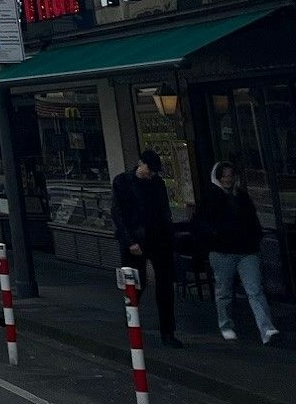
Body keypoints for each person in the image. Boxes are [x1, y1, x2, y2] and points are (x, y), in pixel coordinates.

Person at [197, 161, 280, 345]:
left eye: (230, 175)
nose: (227, 179)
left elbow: (252, 219)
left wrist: (254, 237)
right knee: (224, 291)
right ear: (218, 177)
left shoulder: (241, 196)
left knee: (254, 289)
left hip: (245, 249)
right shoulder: (211, 197)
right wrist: (215, 238)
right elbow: (202, 223)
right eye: (224, 176)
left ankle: (266, 329)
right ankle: (226, 325)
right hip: (223, 251)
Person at [113, 149, 182, 347]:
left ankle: (168, 332)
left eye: (153, 172)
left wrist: (169, 235)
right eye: (148, 170)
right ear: (140, 163)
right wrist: (129, 241)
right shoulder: (123, 182)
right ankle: (131, 320)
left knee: (165, 285)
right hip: (135, 238)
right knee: (137, 283)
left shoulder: (157, 184)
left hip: (158, 237)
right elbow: (118, 213)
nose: (150, 174)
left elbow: (163, 210)